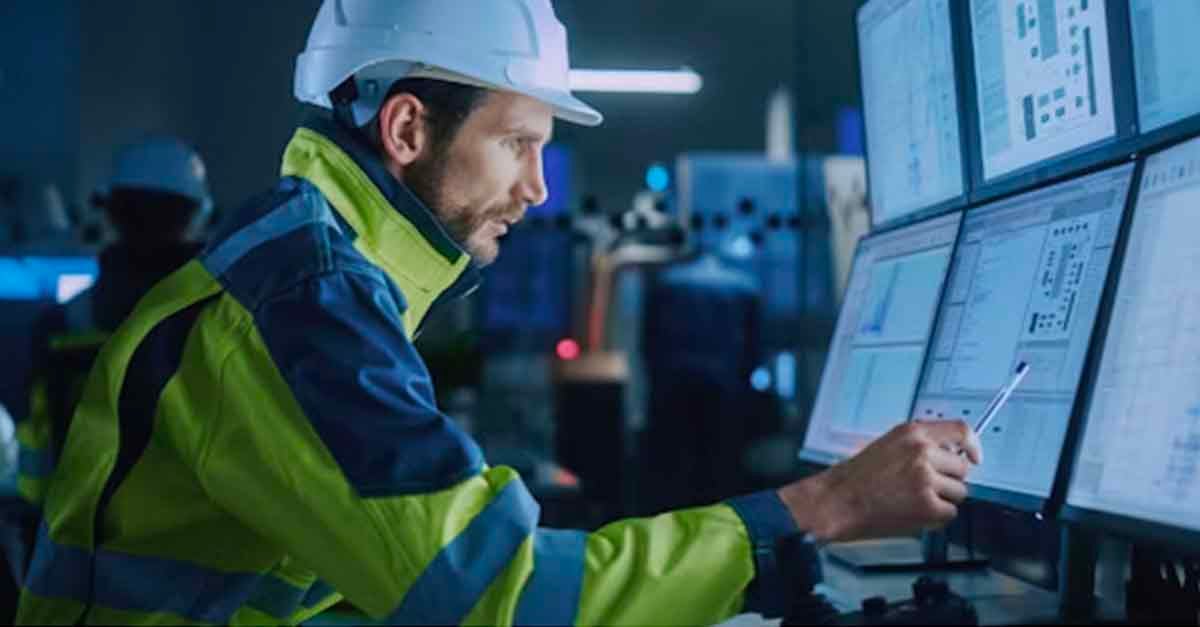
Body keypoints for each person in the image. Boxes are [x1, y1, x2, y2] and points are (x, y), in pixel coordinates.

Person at [16, 2, 982, 625]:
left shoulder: (321, 281)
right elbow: (494, 595)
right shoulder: (297, 312)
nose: (537, 187)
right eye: (519, 143)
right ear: (406, 128)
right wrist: (822, 509)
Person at [16, 136, 211, 507]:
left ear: (112, 213)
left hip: (83, 541)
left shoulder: (61, 324)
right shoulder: (229, 318)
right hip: (199, 546)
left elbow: (38, 459)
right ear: (196, 215)